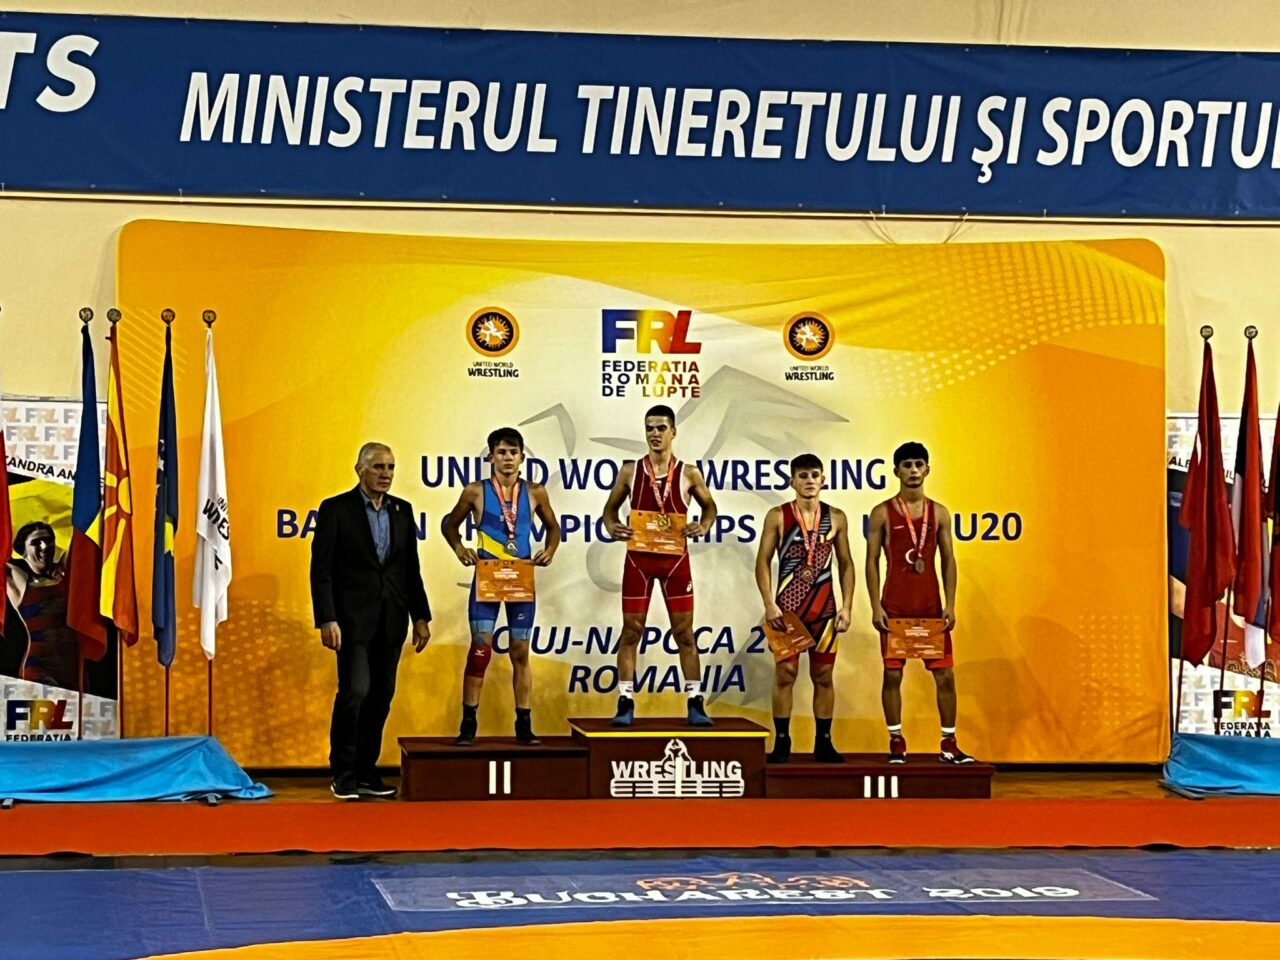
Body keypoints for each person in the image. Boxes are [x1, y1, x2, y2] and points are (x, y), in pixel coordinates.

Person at [310, 442, 432, 800]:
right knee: (356, 691)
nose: (386, 474)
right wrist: (327, 618)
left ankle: (366, 770)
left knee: (381, 696)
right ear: (359, 469)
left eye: (391, 467)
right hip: (350, 621)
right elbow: (321, 570)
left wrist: (420, 616)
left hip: (391, 619)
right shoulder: (336, 509)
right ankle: (343, 772)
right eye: (378, 467)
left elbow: (410, 569)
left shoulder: (402, 510)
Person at [440, 427, 561, 746]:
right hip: (488, 577)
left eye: (513, 452)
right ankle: (468, 724)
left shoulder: (535, 492)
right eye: (501, 452)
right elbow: (450, 525)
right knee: (481, 650)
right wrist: (459, 548)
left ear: (522, 457)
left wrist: (550, 550)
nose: (507, 458)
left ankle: (524, 724)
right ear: (491, 456)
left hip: (520, 578)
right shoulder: (475, 491)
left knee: (520, 651)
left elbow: (553, 528)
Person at [603, 405, 718, 726]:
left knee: (684, 633)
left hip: (675, 562)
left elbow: (710, 507)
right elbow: (609, 510)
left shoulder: (689, 473)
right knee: (631, 631)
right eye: (650, 428)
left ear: (673, 432)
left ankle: (695, 701)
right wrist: (612, 526)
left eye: (661, 428)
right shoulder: (630, 472)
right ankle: (625, 701)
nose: (655, 434)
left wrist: (704, 525)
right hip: (638, 561)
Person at [865, 441, 974, 764]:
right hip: (895, 607)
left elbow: (948, 560)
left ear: (927, 469)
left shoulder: (939, 513)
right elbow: (871, 561)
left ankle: (949, 743)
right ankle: (896, 740)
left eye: (918, 465)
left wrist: (950, 604)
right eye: (907, 465)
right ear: (896, 471)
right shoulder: (881, 512)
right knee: (892, 676)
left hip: (929, 608)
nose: (913, 470)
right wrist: (875, 606)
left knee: (945, 676)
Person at [754, 454, 855, 763]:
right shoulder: (778, 516)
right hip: (787, 612)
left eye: (814, 475)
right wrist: (769, 604)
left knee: (823, 675)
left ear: (823, 479)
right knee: (785, 674)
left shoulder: (836, 517)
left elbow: (846, 564)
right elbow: (762, 561)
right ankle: (782, 741)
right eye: (803, 475)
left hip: (824, 612)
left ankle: (823, 742)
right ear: (792, 481)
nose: (809, 480)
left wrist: (847, 606)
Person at [2, 521, 62, 678]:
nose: (44, 546)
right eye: (36, 542)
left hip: (73, 668)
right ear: (23, 551)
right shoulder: (17, 578)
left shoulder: (68, 573)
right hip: (36, 672)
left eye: (48, 540)